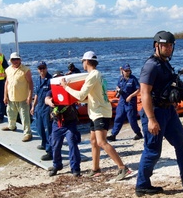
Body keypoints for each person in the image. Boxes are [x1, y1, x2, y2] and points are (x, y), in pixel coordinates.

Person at [135, 31, 183, 196]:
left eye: (170, 45)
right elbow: (144, 93)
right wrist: (151, 119)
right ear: (156, 46)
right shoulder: (151, 65)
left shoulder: (164, 63)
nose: (168, 48)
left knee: (182, 144)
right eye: (165, 45)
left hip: (168, 111)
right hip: (155, 112)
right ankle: (142, 185)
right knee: (153, 150)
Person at [64, 51, 134, 182]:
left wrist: (66, 87)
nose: (82, 64)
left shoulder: (93, 76)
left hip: (100, 113)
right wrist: (82, 100)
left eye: (82, 61)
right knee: (93, 140)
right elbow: (91, 96)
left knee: (101, 142)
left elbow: (80, 95)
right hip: (95, 111)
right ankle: (96, 169)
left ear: (86, 62)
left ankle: (122, 167)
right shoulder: (97, 75)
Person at [45, 72, 83, 177]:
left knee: (72, 144)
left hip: (70, 123)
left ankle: (75, 168)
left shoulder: (69, 90)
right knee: (55, 145)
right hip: (57, 124)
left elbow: (79, 96)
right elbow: (46, 99)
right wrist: (50, 102)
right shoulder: (51, 92)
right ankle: (57, 165)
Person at [2, 52, 34, 141]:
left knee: (24, 117)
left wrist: (30, 96)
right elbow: (7, 83)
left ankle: (28, 133)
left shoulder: (26, 69)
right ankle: (11, 126)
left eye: (17, 59)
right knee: (10, 113)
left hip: (23, 98)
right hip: (11, 97)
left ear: (20, 60)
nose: (15, 61)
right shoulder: (8, 70)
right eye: (13, 59)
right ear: (10, 61)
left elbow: (30, 83)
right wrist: (5, 95)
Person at [106, 64, 142, 142]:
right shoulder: (121, 78)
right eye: (126, 71)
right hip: (122, 101)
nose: (127, 72)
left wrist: (131, 96)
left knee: (131, 119)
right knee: (118, 117)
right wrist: (118, 89)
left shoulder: (133, 79)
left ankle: (138, 133)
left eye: (128, 70)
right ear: (123, 71)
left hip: (130, 102)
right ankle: (113, 135)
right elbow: (117, 86)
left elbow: (138, 90)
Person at [31, 61, 53, 150]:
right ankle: (44, 143)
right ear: (38, 70)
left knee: (48, 130)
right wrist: (33, 106)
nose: (42, 70)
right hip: (39, 107)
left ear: (46, 68)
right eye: (40, 68)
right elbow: (36, 94)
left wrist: (52, 111)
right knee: (39, 128)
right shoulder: (37, 80)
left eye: (43, 68)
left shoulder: (50, 80)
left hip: (47, 108)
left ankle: (50, 150)